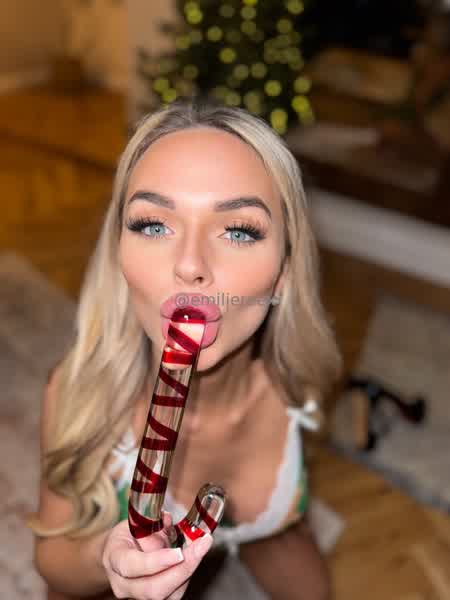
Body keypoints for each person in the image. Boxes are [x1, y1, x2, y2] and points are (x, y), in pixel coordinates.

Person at [27, 97, 342, 600]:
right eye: (153, 225)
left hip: (261, 535)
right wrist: (108, 557)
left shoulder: (298, 381)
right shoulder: (79, 394)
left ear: (284, 271)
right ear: (119, 254)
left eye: (239, 230)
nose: (190, 264)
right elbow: (53, 562)